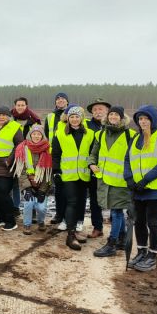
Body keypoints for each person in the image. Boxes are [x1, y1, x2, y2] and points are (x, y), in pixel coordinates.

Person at [124, 105, 157, 272]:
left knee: (153, 223)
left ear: (152, 120)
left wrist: (146, 180)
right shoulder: (135, 138)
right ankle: (141, 251)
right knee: (139, 222)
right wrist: (129, 179)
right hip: (138, 189)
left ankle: (152, 256)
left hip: (155, 188)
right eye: (140, 119)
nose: (143, 121)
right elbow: (127, 160)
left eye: (146, 118)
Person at [88, 106, 135, 257]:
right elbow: (93, 153)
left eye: (116, 115)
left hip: (121, 182)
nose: (113, 117)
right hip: (104, 180)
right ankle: (122, 238)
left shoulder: (130, 135)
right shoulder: (100, 134)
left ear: (122, 118)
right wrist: (91, 163)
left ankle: (112, 243)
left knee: (116, 212)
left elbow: (136, 158)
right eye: (111, 114)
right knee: (117, 211)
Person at [52, 106, 95, 250]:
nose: (74, 119)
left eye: (77, 116)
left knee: (80, 202)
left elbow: (92, 154)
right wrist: (56, 171)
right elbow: (56, 154)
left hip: (84, 175)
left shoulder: (90, 134)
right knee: (72, 202)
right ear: (68, 118)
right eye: (72, 117)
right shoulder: (60, 133)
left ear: (82, 118)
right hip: (68, 174)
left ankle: (75, 231)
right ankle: (70, 236)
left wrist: (93, 168)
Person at [12, 125, 52, 235]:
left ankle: (41, 222)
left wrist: (43, 190)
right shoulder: (22, 148)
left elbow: (49, 173)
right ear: (30, 135)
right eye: (34, 134)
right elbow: (21, 171)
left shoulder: (48, 149)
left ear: (42, 136)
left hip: (42, 184)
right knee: (28, 203)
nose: (36, 136)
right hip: (28, 183)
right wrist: (27, 187)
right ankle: (27, 224)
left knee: (41, 207)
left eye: (39, 134)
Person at [84, 98, 112, 239]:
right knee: (94, 199)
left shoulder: (113, 125)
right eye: (95, 109)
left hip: (112, 170)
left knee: (114, 198)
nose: (98, 112)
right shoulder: (87, 126)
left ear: (107, 111)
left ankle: (117, 230)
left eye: (101, 109)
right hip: (93, 168)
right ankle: (98, 227)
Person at [46, 93, 69, 227]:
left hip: (68, 156)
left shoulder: (71, 116)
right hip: (53, 156)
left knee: (69, 189)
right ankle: (59, 214)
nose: (60, 101)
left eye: (63, 99)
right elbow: (45, 135)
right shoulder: (50, 117)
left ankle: (68, 215)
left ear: (67, 101)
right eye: (58, 99)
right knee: (58, 188)